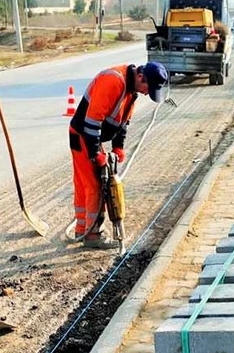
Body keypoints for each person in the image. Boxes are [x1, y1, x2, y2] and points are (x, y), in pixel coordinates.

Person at [68, 61, 168, 249]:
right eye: (148, 88)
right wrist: (96, 153)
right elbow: (92, 122)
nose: (147, 93)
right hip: (82, 134)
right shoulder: (113, 80)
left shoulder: (132, 91)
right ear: (140, 77)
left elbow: (123, 122)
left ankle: (82, 230)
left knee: (85, 184)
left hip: (88, 135)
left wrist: (118, 147)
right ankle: (93, 236)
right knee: (95, 185)